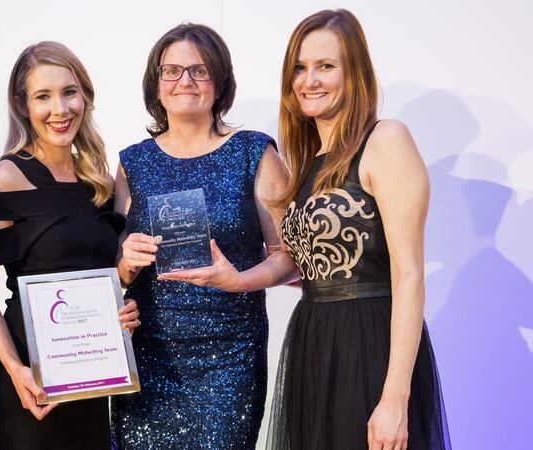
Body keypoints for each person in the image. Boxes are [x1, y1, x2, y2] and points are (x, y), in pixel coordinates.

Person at [173, 9, 450, 450]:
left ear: (354, 72)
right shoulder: (307, 163)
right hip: (313, 340)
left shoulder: (385, 140)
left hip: (369, 342)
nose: (309, 80)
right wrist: (239, 281)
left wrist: (395, 397)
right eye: (299, 68)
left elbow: (409, 274)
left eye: (325, 66)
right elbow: (301, 264)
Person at [109, 24, 297, 449]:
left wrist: (241, 280)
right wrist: (124, 264)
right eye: (172, 71)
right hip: (149, 355)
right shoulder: (131, 163)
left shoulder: (253, 151)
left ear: (221, 82)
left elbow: (289, 255)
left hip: (229, 357)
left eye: (199, 70)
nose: (185, 82)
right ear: (156, 84)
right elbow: (115, 271)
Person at [0, 41, 140, 450]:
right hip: (28, 387)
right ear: (22, 104)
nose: (60, 109)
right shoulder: (4, 178)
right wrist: (16, 371)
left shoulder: (96, 179)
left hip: (92, 383)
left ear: (85, 97)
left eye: (69, 92)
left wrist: (122, 304)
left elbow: (105, 275)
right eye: (43, 96)